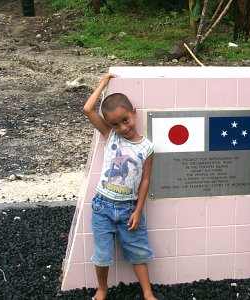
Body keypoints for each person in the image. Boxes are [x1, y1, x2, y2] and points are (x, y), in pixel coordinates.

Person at [83, 73, 157, 300]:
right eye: (115, 124)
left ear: (134, 113)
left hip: (128, 209)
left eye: (125, 120)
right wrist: (104, 83)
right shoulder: (110, 136)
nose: (123, 127)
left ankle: (147, 293)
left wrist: (138, 210)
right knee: (103, 254)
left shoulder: (147, 147)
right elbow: (87, 109)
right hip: (102, 207)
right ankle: (102, 288)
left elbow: (145, 180)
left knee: (138, 251)